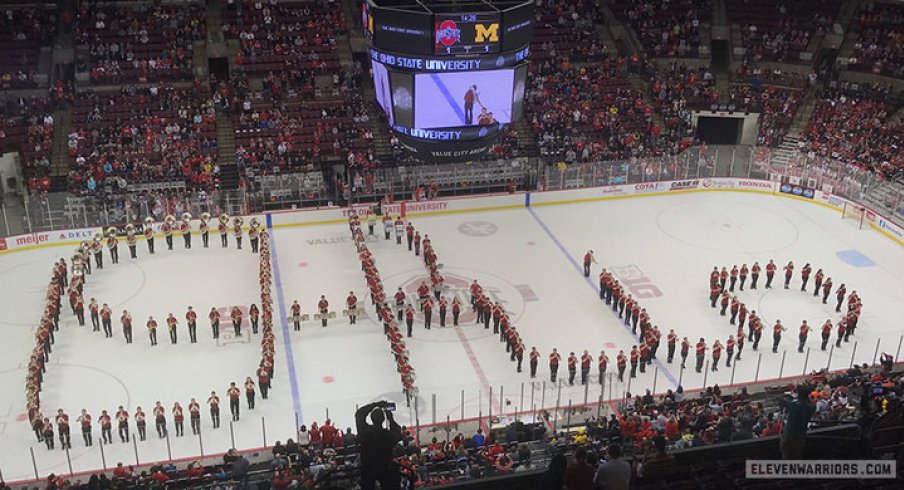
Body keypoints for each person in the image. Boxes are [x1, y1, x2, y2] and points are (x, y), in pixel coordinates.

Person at [356, 401, 403, 490]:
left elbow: (359, 414)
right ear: (383, 419)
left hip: (368, 470)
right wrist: (391, 419)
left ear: (372, 418)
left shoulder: (365, 432)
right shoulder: (388, 436)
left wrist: (375, 404)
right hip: (385, 469)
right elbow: (398, 433)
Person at [781, 386, 815, 459]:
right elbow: (808, 403)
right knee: (797, 455)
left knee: (786, 455)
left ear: (799, 396)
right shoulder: (812, 407)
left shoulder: (794, 406)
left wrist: (789, 397)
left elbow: (784, 402)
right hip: (801, 435)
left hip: (789, 435)